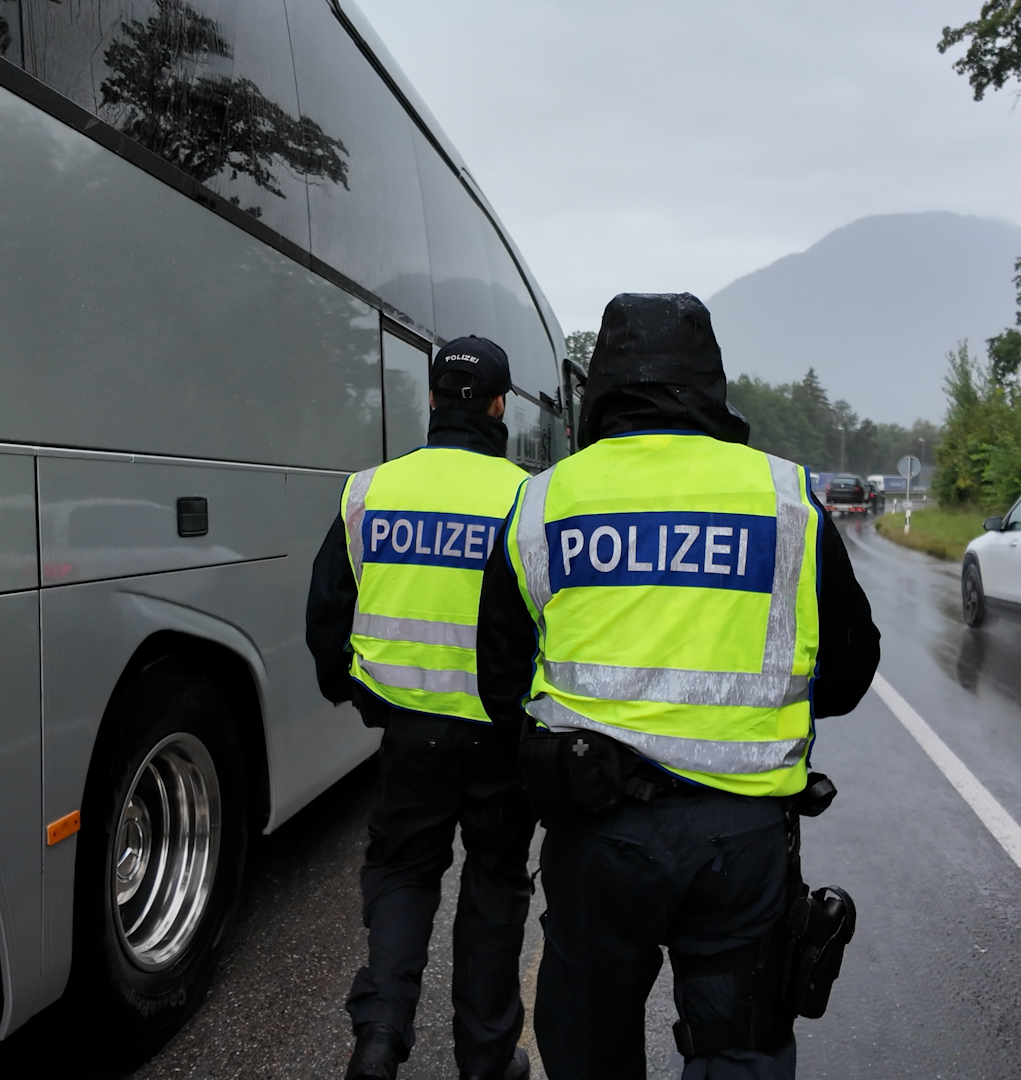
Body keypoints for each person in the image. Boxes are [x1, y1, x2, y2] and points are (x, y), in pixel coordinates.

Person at [475, 293, 880, 1080]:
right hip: (741, 840)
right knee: (741, 1054)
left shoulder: (544, 498)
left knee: (589, 1050)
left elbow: (499, 680)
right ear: (711, 383)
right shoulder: (785, 495)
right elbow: (850, 670)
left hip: (594, 835)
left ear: (601, 387)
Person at [306, 336, 537, 1080]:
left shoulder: (370, 490)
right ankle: (486, 1058)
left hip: (407, 734)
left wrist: (346, 683)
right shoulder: (527, 499)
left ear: (433, 400)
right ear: (501, 406)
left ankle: (378, 1036)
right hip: (501, 738)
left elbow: (327, 609)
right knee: (494, 890)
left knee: (404, 875)